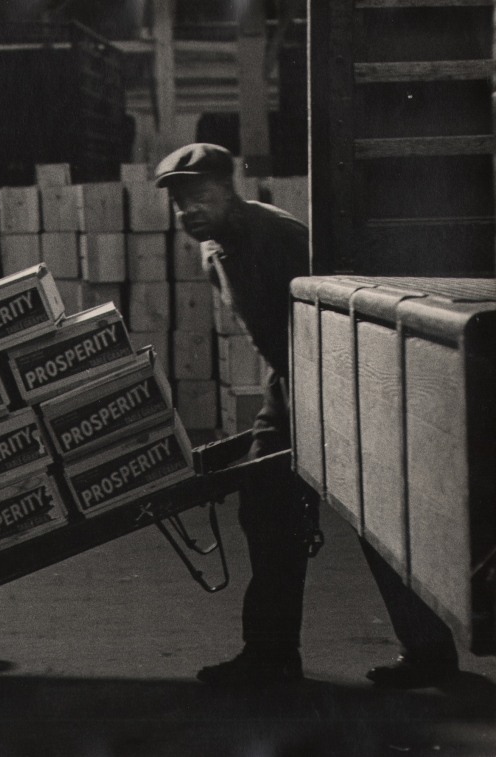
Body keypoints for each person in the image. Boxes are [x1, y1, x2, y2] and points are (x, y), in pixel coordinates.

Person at [154, 143, 459, 688]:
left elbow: (341, 316)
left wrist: (338, 409)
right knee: (265, 507)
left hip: (341, 378)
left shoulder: (280, 237)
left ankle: (431, 651)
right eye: (180, 203)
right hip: (289, 380)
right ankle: (271, 655)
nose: (189, 211)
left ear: (229, 188)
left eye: (199, 196)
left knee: (375, 518)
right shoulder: (212, 251)